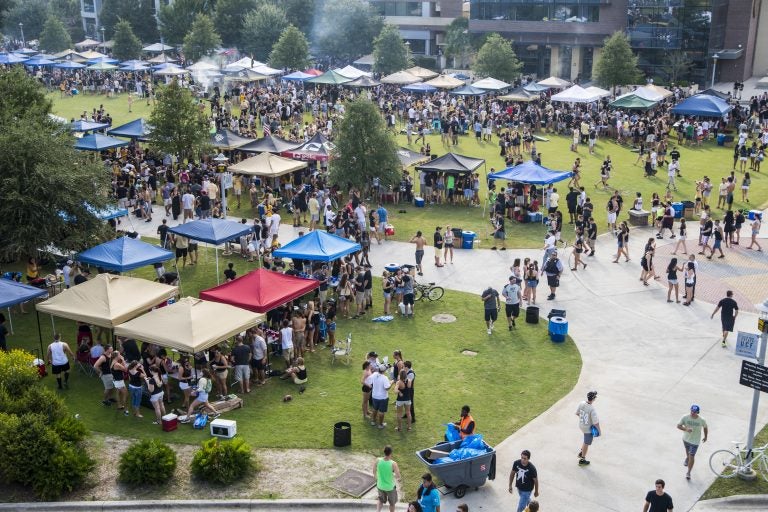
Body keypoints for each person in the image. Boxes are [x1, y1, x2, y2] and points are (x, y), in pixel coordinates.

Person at [677, 404, 708, 480]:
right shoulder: (685, 417)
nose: (692, 413)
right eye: (691, 411)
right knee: (688, 453)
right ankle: (687, 458)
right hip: (686, 439)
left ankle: (688, 472)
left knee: (692, 456)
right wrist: (686, 429)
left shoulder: (702, 420)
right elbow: (678, 426)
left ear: (698, 412)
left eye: (694, 412)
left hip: (695, 441)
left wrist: (706, 436)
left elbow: (705, 428)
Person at [373, 445, 401, 512]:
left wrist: (376, 479)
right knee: (392, 503)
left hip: (380, 485)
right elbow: (398, 476)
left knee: (380, 500)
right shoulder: (393, 464)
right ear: (391, 453)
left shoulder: (378, 460)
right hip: (390, 487)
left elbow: (374, 471)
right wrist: (393, 474)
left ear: (384, 452)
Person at [576, 390, 600, 466]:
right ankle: (582, 459)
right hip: (588, 429)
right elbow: (596, 423)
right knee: (587, 443)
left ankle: (581, 452)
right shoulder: (592, 409)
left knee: (585, 439)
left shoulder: (581, 403)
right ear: (593, 399)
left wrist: (583, 419)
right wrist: (599, 431)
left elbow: (577, 413)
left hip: (581, 425)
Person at [371, 363, 392, 429]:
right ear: (384, 371)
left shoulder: (374, 374)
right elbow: (387, 388)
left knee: (375, 409)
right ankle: (380, 424)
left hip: (374, 396)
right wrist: (391, 382)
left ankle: (373, 421)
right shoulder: (384, 378)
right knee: (381, 412)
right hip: (383, 397)